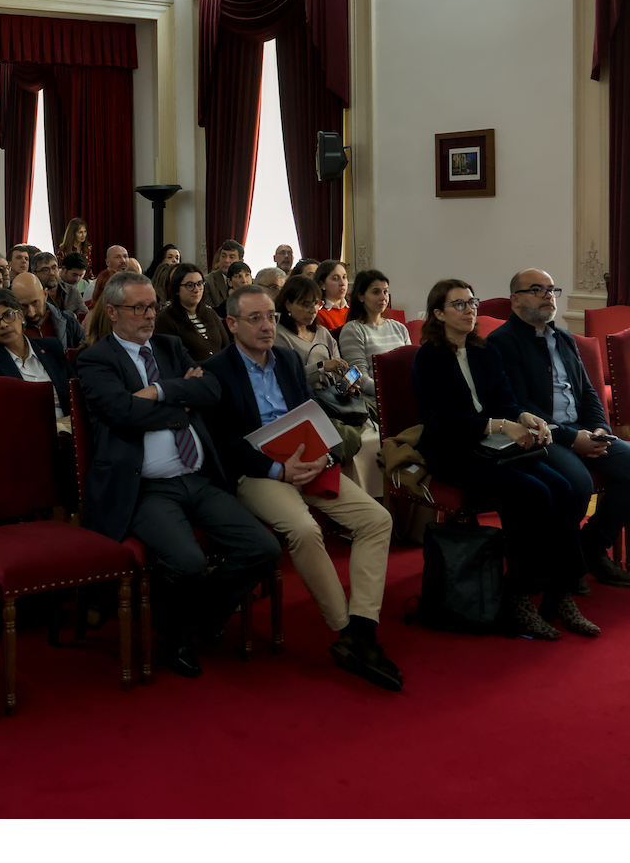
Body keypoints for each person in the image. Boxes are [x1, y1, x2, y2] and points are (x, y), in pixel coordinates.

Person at [76, 272, 280, 679]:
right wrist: (181, 401)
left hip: (198, 477)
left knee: (263, 547)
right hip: (146, 487)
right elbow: (122, 412)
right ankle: (178, 636)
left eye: (153, 306)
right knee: (186, 561)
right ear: (112, 312)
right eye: (139, 308)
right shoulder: (97, 359)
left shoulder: (170, 346)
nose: (150, 315)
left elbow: (211, 391)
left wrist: (158, 392)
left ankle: (197, 618)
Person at [204, 286, 401, 690]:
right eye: (255, 318)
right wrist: (277, 471)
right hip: (259, 473)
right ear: (232, 323)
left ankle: (363, 625)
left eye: (271, 317)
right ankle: (345, 629)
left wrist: (325, 454)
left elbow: (307, 412)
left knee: (376, 519)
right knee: (304, 529)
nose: (266, 326)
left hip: (306, 461)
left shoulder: (289, 360)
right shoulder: (217, 371)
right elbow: (224, 444)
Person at [411, 279, 596, 640]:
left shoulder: (483, 351)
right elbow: (445, 421)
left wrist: (523, 417)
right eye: (459, 304)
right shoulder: (429, 359)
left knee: (560, 486)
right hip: (453, 450)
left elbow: (505, 400)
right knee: (532, 493)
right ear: (438, 313)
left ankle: (559, 592)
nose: (469, 310)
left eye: (472, 302)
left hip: (494, 445)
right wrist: (499, 424)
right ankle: (519, 594)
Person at [486, 269, 630, 590]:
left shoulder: (563, 338)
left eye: (551, 289)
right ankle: (563, 561)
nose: (548, 295)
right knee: (576, 484)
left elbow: (588, 392)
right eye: (537, 289)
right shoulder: (502, 342)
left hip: (582, 430)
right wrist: (571, 438)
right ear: (515, 299)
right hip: (542, 436)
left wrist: (600, 429)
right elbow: (518, 405)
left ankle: (589, 547)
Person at [0, 284, 73, 415]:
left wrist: (72, 420)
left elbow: (74, 393)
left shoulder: (52, 347)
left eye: (8, 315)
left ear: (21, 315)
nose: (3, 324)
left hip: (66, 429)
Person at [334, 268, 410, 400]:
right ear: (360, 296)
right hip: (376, 401)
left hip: (404, 395)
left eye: (385, 292)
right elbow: (360, 378)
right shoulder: (353, 330)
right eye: (376, 292)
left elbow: (410, 368)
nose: (383, 297)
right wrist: (394, 392)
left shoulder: (399, 328)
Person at [156, 262, 231, 362]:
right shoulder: (166, 319)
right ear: (177, 289)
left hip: (220, 373)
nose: (196, 290)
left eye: (199, 284)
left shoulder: (210, 313)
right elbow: (170, 359)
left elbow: (227, 347)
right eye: (190, 285)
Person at [11, 270, 84, 352]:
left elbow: (86, 357)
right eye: (23, 306)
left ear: (45, 295)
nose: (31, 313)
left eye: (35, 303)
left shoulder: (69, 324)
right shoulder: (10, 332)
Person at [207, 240, 244, 314]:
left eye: (232, 257)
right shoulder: (208, 282)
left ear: (241, 261)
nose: (226, 260)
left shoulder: (248, 282)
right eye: (223, 256)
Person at [313, 259, 350, 331]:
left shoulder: (354, 308)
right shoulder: (318, 312)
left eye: (344, 277)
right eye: (335, 278)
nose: (342, 283)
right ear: (322, 284)